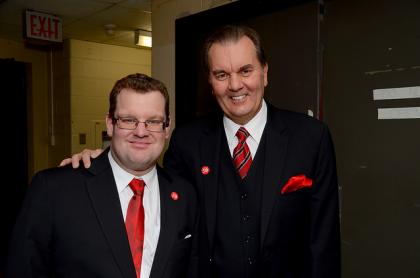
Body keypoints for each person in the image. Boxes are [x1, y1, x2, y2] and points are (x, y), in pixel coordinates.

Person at [62, 25, 341, 277]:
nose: (234, 85)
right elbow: (156, 200)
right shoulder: (187, 142)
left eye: (245, 70)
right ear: (210, 81)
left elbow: (323, 243)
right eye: (222, 74)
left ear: (265, 73)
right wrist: (105, 163)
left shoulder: (310, 138)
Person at [6, 73, 198, 278]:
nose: (141, 131)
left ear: (166, 128)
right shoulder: (54, 189)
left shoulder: (184, 195)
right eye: (128, 120)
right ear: (109, 123)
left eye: (153, 121)